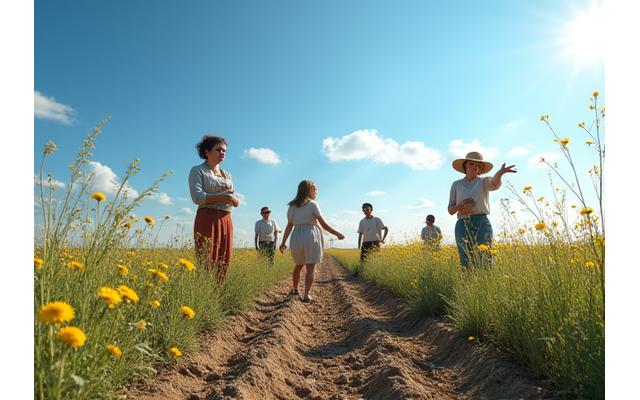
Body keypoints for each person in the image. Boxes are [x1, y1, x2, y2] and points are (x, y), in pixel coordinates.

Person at [279, 180, 345, 302]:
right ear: (309, 190)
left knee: (298, 265)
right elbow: (324, 225)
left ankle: (294, 289)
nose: (317, 191)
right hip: (311, 235)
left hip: (296, 236)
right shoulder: (313, 204)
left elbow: (289, 225)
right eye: (315, 188)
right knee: (310, 268)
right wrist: (337, 233)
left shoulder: (292, 206)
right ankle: (306, 294)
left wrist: (283, 242)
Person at [447, 151, 516, 268]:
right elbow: (450, 210)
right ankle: (469, 284)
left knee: (485, 258)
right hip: (462, 223)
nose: (475, 167)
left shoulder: (483, 182)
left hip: (482, 222)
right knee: (465, 259)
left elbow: (494, 183)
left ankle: (485, 285)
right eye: (472, 164)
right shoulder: (456, 185)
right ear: (465, 166)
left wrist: (500, 173)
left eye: (478, 166)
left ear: (480, 169)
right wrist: (461, 206)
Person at [189, 135, 240, 284]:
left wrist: (231, 198)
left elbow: (236, 200)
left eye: (224, 151)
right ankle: (204, 294)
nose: (222, 153)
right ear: (207, 151)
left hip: (226, 218)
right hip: (207, 217)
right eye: (218, 150)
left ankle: (217, 294)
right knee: (206, 259)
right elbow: (197, 197)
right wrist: (224, 196)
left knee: (224, 259)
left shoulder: (227, 174)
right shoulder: (198, 171)